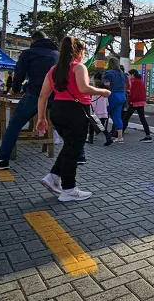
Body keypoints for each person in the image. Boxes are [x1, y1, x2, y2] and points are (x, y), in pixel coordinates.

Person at [36, 37, 110, 201]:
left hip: (57, 110)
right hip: (76, 111)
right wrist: (103, 92)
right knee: (74, 150)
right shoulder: (79, 67)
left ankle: (53, 177)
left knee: (70, 146)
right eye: (83, 51)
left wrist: (41, 118)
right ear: (78, 51)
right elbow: (84, 88)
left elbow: (42, 96)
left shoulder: (53, 70)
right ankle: (69, 189)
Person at [0, 31, 59, 170]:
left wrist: (14, 90)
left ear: (33, 40)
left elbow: (19, 74)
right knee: (62, 126)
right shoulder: (58, 55)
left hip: (35, 95)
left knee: (14, 125)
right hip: (55, 95)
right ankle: (80, 156)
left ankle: (3, 160)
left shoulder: (28, 53)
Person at [122, 69, 152, 142]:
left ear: (133, 74)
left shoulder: (135, 82)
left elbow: (134, 94)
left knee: (126, 118)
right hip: (140, 102)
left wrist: (129, 97)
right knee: (142, 118)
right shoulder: (140, 81)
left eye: (129, 75)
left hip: (135, 102)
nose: (129, 77)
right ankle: (148, 135)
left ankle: (120, 133)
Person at [102, 57, 127, 143]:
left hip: (112, 95)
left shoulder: (108, 73)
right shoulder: (123, 74)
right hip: (122, 96)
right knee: (117, 116)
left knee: (102, 114)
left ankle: (93, 133)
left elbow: (107, 84)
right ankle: (120, 137)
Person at [86, 80, 112, 146]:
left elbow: (93, 104)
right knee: (101, 127)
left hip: (96, 113)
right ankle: (107, 137)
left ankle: (91, 139)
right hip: (103, 112)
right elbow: (107, 104)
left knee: (92, 125)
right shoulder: (105, 93)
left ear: (97, 86)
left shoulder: (95, 93)